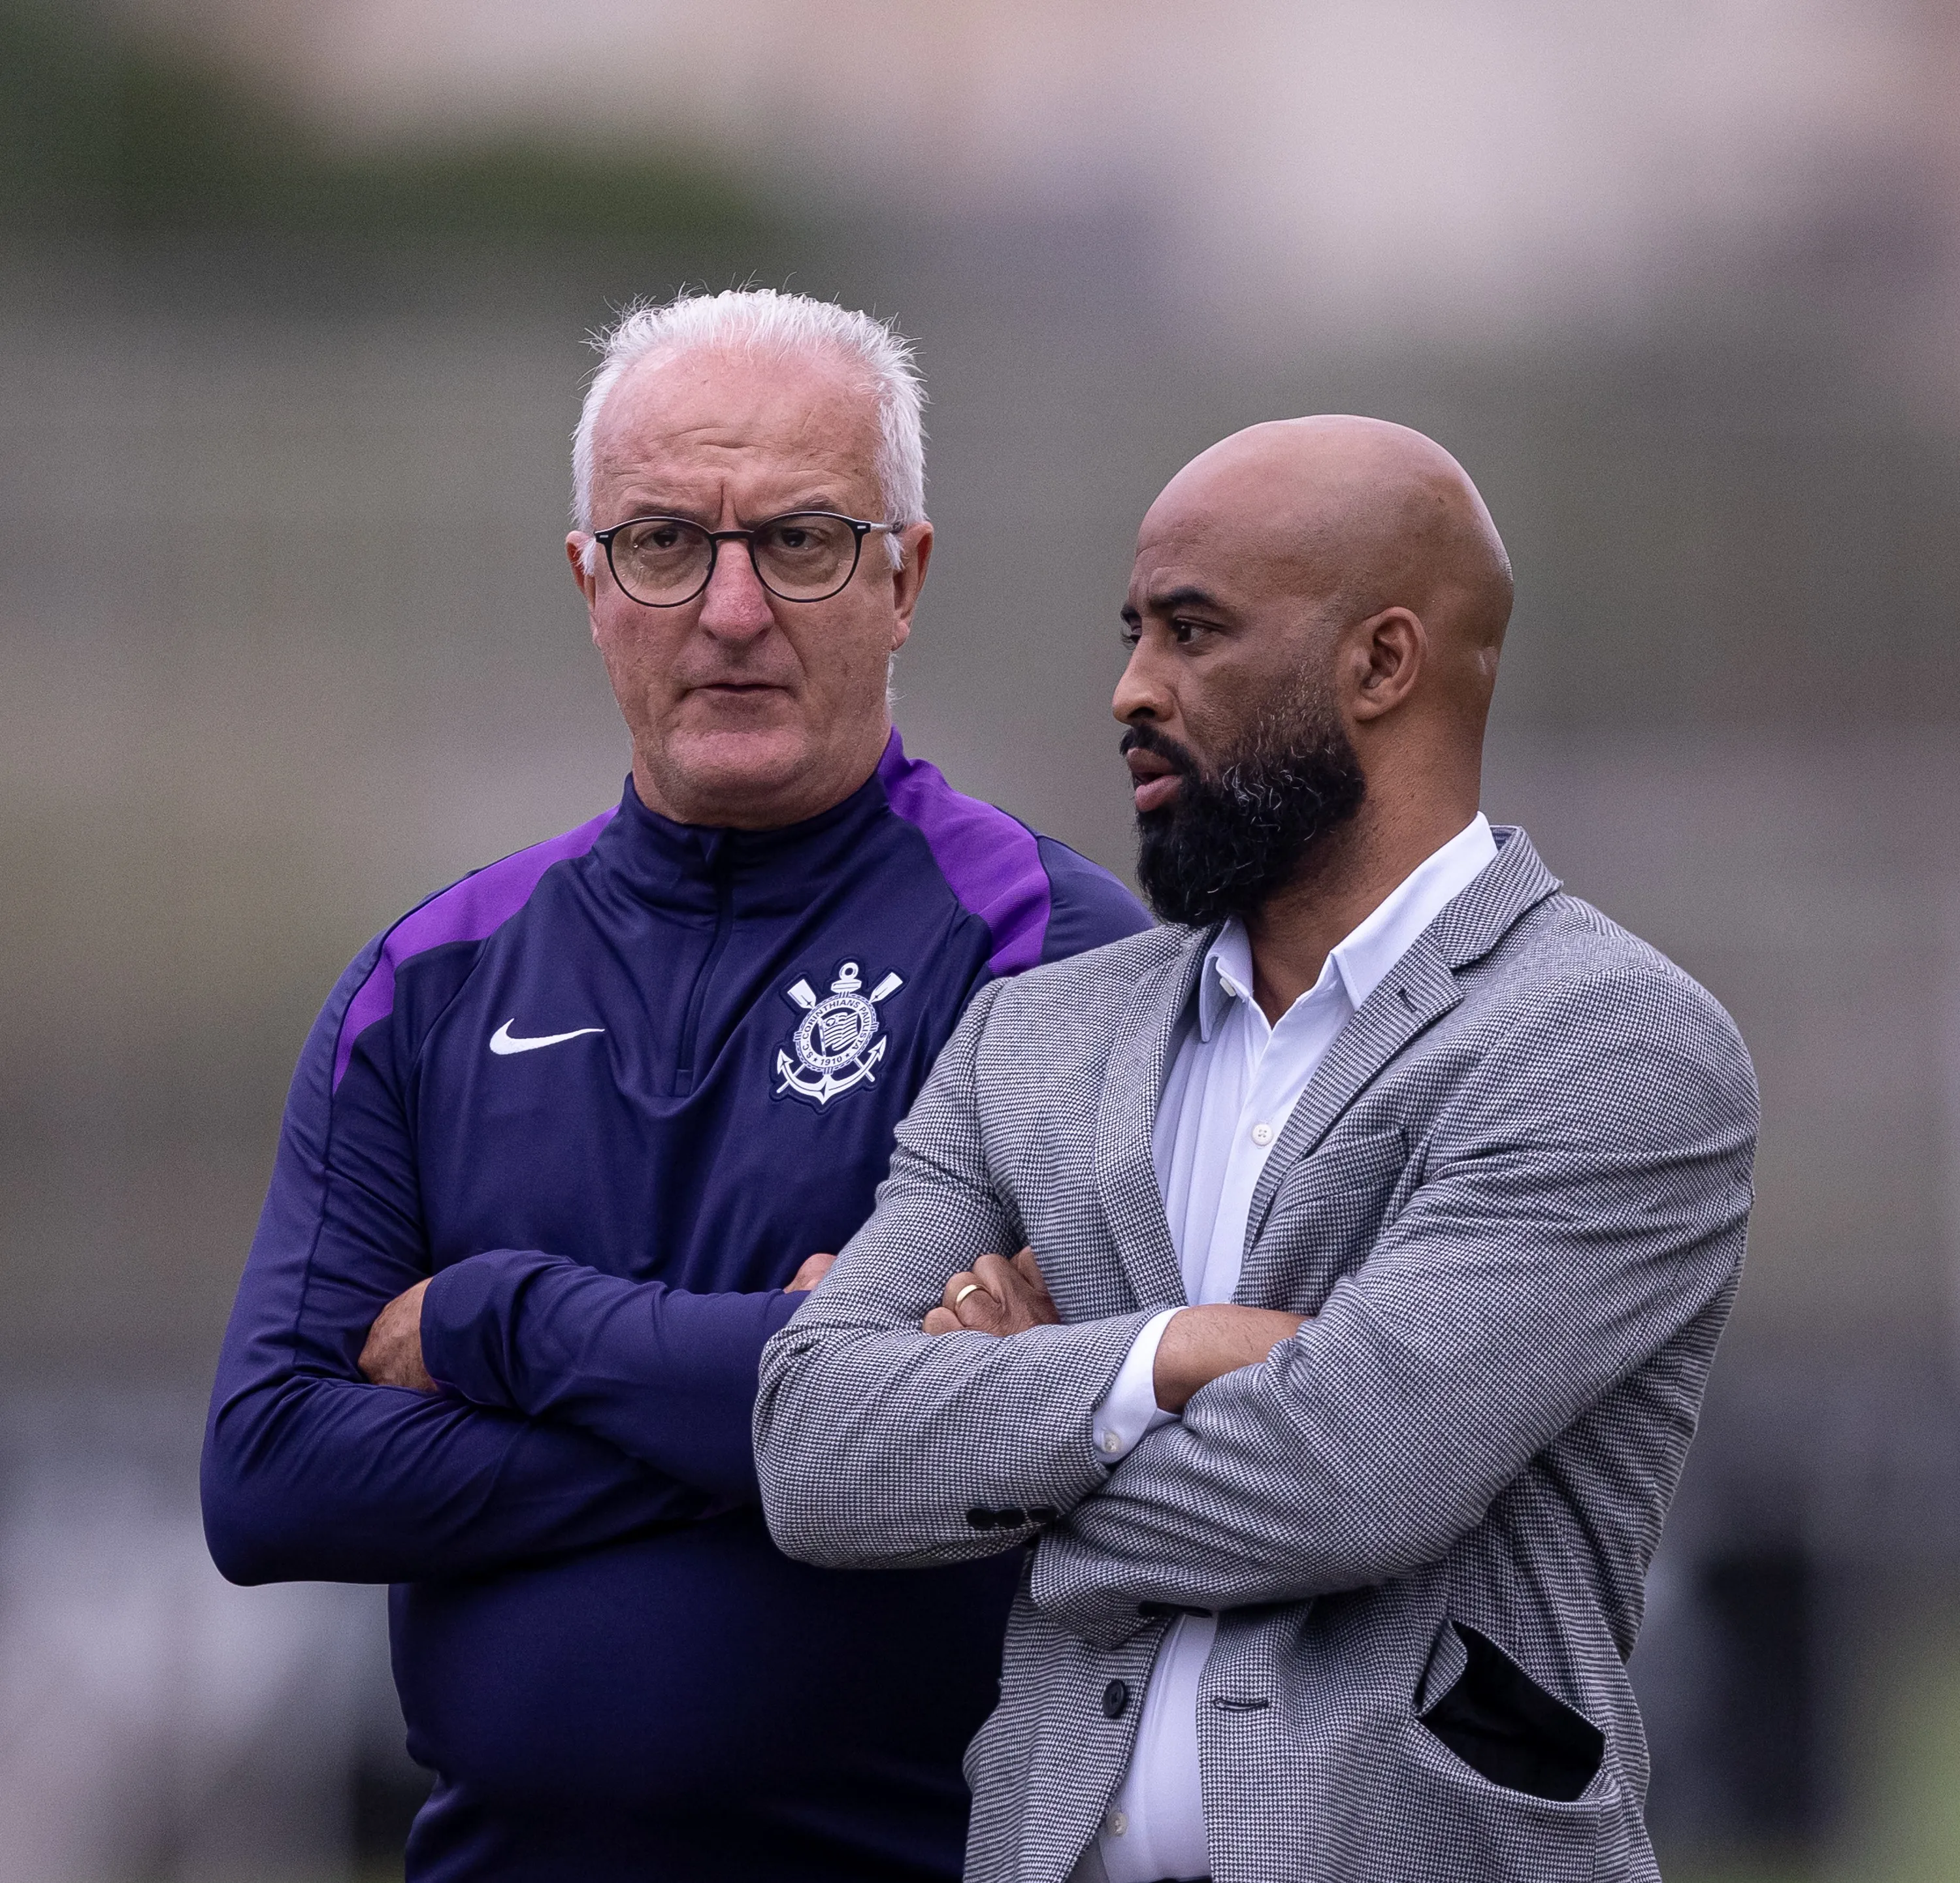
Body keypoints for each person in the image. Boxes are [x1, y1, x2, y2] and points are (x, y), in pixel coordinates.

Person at [200, 287, 1150, 1883]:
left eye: (801, 541)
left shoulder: (1044, 952)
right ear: (590, 582)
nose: (729, 609)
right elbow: (272, 1475)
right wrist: (792, 1408)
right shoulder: (428, 984)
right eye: (663, 544)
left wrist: (499, 1323)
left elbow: (1002, 1436)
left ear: (904, 575)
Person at [755, 416, 1758, 1883]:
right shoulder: (1031, 1039)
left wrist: (1009, 1449)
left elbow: (1348, 1477)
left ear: (1382, 663)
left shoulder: (1610, 1044)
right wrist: (1163, 1356)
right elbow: (815, 1453)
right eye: (1132, 632)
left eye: (1193, 632)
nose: (1131, 689)